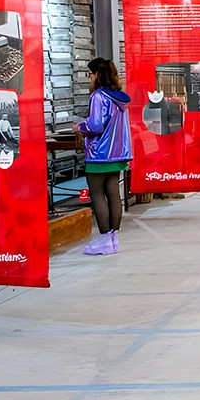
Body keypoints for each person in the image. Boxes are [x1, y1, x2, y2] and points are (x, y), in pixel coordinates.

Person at [77, 57, 132, 256]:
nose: (89, 78)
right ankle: (113, 239)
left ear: (98, 75)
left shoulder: (99, 96)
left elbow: (96, 126)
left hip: (99, 153)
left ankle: (103, 239)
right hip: (117, 153)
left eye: (90, 74)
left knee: (97, 194)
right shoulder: (119, 97)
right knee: (113, 194)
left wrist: (80, 126)